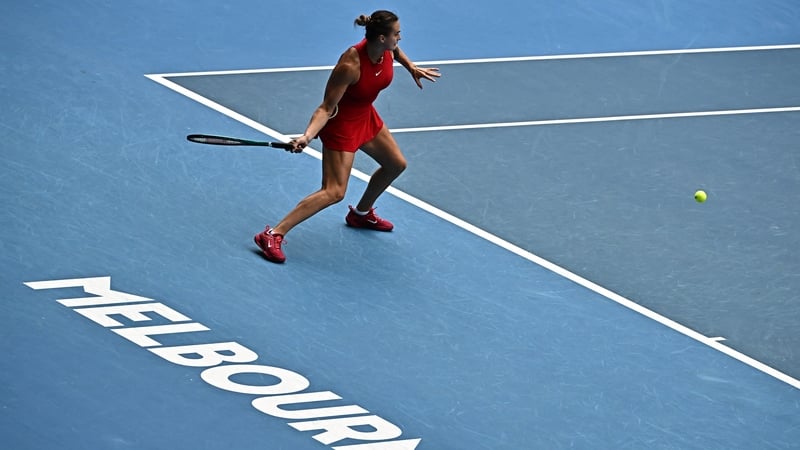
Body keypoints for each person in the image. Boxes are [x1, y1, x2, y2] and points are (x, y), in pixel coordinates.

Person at [254, 10, 441, 263]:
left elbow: (395, 52)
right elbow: (326, 108)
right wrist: (308, 136)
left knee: (396, 164)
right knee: (334, 191)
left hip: (366, 116)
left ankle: (361, 214)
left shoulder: (386, 49)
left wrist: (411, 67)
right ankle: (273, 234)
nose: (400, 38)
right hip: (341, 125)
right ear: (382, 38)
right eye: (397, 34)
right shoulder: (350, 65)